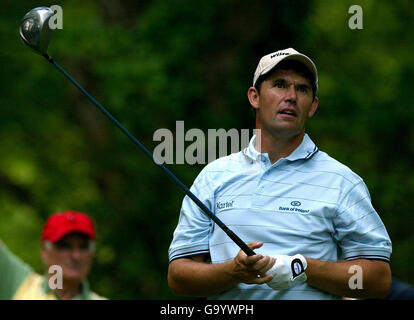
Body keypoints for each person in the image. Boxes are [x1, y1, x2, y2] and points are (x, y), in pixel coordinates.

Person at [167, 48, 392, 300]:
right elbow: (179, 277)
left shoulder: (342, 181)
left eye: (303, 89)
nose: (292, 96)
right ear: (255, 97)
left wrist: (302, 268)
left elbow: (378, 280)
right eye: (280, 85)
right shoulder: (213, 176)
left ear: (313, 106)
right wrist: (234, 271)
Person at [0, 210, 105, 300]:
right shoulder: (20, 284)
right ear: (45, 251)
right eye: (65, 246)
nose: (75, 256)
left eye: (83, 247)